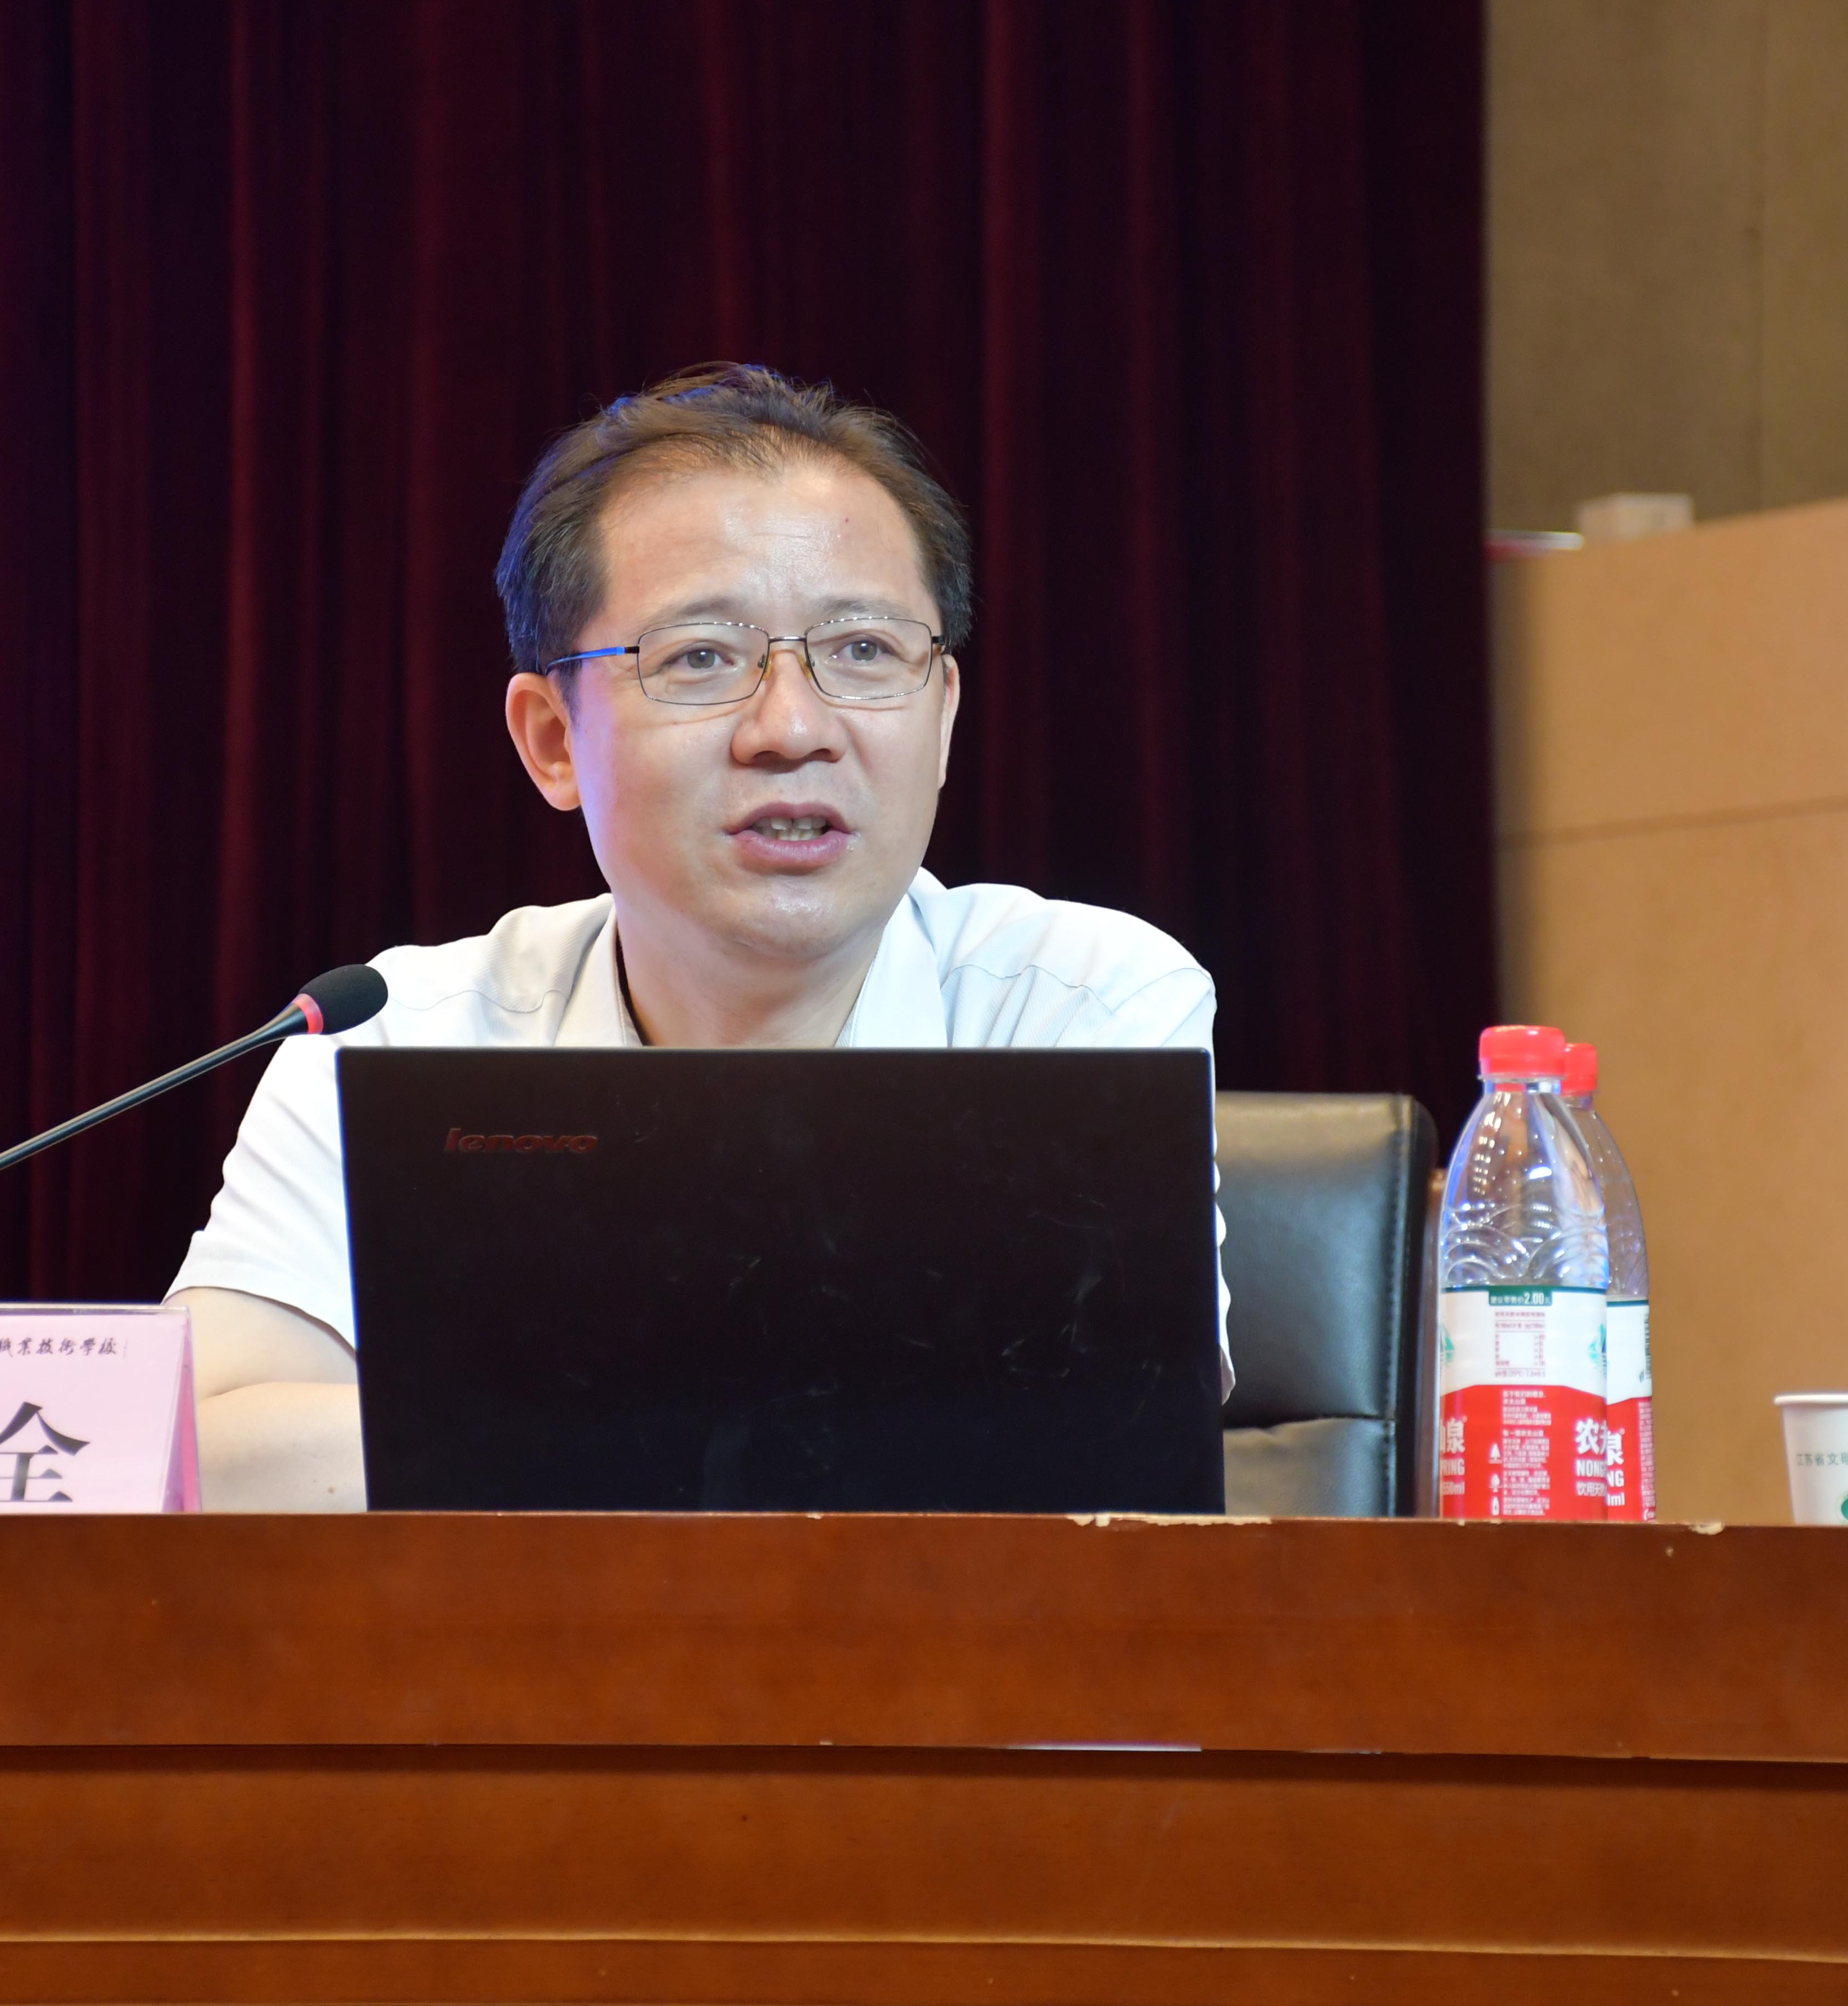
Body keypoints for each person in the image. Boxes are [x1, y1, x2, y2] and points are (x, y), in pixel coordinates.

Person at [172, 363, 1223, 1509]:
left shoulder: (1074, 1002)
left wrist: (531, 1429)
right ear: (553, 742)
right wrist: (781, 1424)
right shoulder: (390, 1042)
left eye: (865, 649)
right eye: (701, 657)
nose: (793, 727)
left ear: (944, 713)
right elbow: (208, 1454)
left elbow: (1115, 1444)